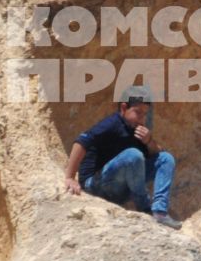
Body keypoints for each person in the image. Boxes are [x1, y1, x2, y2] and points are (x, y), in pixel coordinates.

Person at [64, 87, 178, 228]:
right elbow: (81, 142)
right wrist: (69, 177)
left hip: (121, 189)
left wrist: (149, 141)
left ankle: (160, 212)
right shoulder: (112, 123)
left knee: (166, 158)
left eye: (145, 114)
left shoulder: (137, 130)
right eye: (138, 112)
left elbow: (158, 154)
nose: (142, 118)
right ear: (124, 108)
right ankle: (144, 206)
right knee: (133, 155)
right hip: (95, 184)